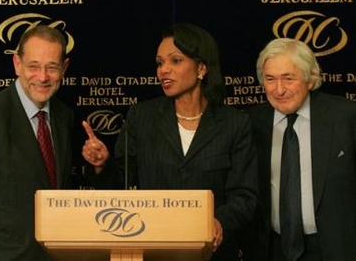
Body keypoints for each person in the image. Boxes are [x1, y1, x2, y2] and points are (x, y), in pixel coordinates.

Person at [81, 22, 259, 260]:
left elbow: (244, 196)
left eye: (175, 61)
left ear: (201, 68)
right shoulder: (141, 117)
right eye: (160, 62)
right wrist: (101, 165)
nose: (163, 70)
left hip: (212, 252)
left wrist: (218, 222)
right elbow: (120, 186)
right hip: (154, 249)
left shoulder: (235, 124)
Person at [244, 38, 356, 261]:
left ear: (310, 79)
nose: (279, 89)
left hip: (335, 250)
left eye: (288, 78)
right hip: (271, 250)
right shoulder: (250, 122)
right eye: (270, 79)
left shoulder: (346, 117)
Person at [0, 25, 74, 260]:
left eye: (52, 67)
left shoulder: (65, 116)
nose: (42, 77)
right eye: (33, 66)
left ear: (64, 67)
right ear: (17, 65)